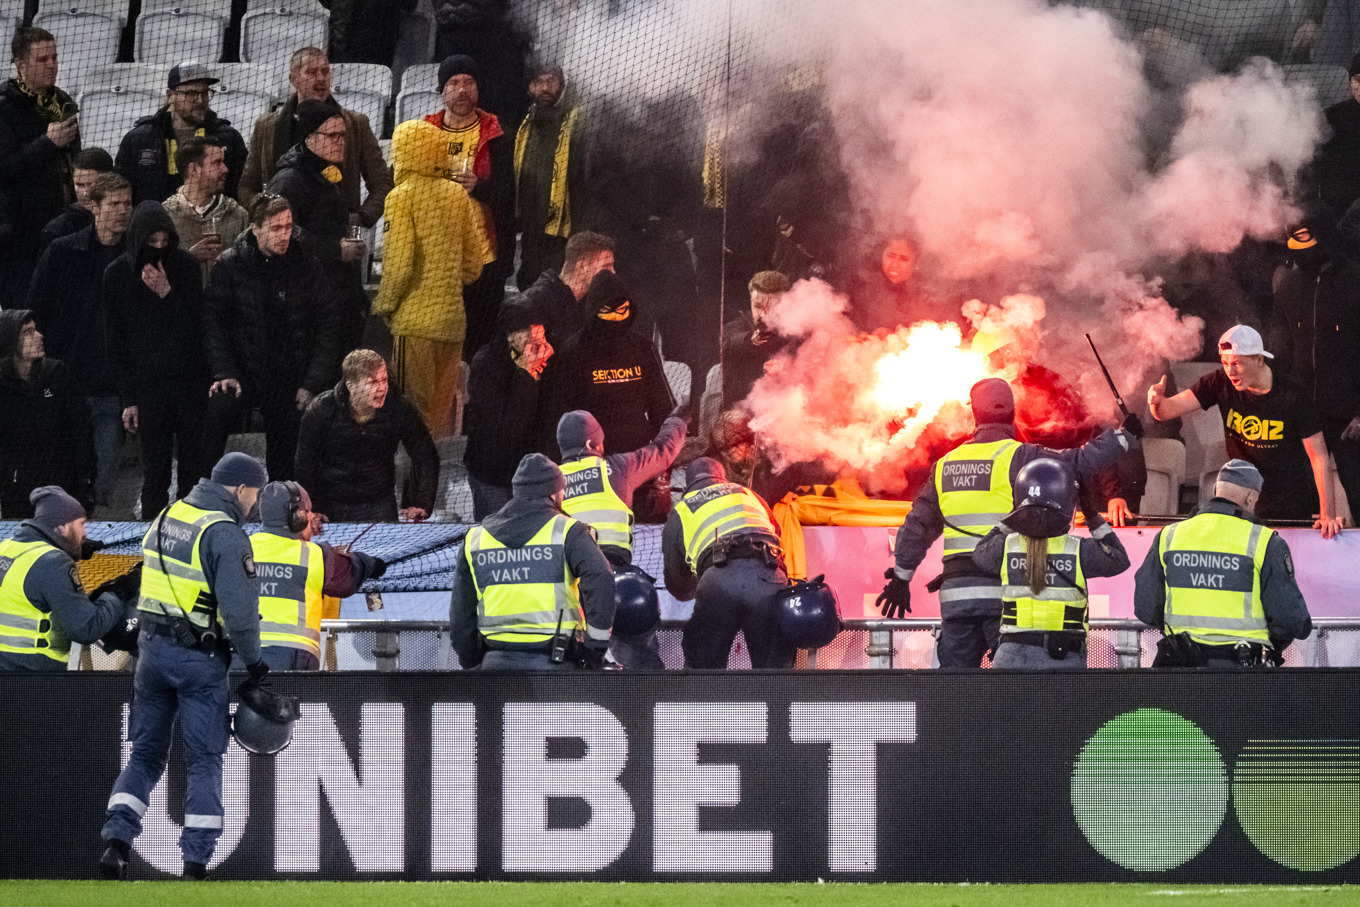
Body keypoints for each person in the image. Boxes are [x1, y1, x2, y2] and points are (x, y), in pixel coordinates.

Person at [878, 378, 1139, 669]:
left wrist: (901, 578)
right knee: (1006, 696)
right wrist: (1123, 438)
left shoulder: (945, 465)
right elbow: (1079, 461)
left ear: (975, 416)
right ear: (1012, 413)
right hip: (1003, 596)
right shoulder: (1022, 457)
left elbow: (918, 526)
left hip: (956, 599)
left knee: (954, 695)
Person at [99, 452, 271, 881]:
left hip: (151, 654)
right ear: (239, 488)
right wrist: (255, 664)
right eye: (256, 493)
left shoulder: (167, 514)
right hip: (199, 660)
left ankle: (117, 841)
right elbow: (240, 613)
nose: (256, 503)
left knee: (145, 755)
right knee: (204, 759)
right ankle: (195, 862)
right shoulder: (225, 534)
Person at [1147, 324, 1343, 537]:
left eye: (1237, 363)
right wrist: (1156, 402)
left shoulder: (1293, 394)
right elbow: (1167, 411)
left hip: (1288, 502)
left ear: (1259, 359)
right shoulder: (1218, 382)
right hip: (1239, 501)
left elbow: (1319, 457)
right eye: (1225, 363)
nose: (1230, 371)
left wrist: (1328, 515)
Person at [201, 194, 342, 481]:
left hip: (290, 375)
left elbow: (329, 324)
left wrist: (311, 382)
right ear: (255, 228)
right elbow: (212, 322)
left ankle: (283, 505)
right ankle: (204, 491)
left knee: (286, 453)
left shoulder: (306, 265)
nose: (284, 235)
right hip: (243, 371)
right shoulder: (231, 265)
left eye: (288, 227)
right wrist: (224, 371)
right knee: (215, 412)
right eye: (276, 228)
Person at [373, 119, 492, 439]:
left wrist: (384, 305)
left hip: (415, 326)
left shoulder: (400, 197)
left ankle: (413, 485)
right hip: (453, 325)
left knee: (411, 412)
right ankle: (435, 484)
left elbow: (398, 266)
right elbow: (474, 265)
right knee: (440, 417)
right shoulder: (457, 195)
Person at [1133, 459, 1313, 667]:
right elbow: (1290, 620)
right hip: (1242, 672)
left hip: (1181, 668)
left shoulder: (1170, 535)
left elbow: (1145, 608)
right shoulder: (1264, 542)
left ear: (1216, 489)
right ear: (1251, 497)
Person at [448, 452, 614, 671]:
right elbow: (602, 577)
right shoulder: (569, 531)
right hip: (555, 667)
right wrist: (593, 652)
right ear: (554, 493)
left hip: (494, 664)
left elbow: (461, 614)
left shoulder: (476, 538)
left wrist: (471, 661)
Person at [27, 171, 131, 512]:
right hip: (65, 381)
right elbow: (36, 307)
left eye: (127, 203)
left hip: (112, 387)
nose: (122, 210)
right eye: (114, 204)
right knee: (60, 472)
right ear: (95, 208)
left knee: (103, 479)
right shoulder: (62, 252)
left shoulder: (136, 257)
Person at [556, 406, 689, 669]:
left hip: (569, 584)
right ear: (591, 443)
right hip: (615, 579)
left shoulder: (552, 480)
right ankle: (650, 702)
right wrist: (677, 419)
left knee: (574, 663)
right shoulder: (617, 468)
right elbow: (663, 452)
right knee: (639, 657)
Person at [971, 459, 1131, 669]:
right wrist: (1091, 514)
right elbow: (1120, 559)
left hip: (1011, 656)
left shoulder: (1006, 547)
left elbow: (979, 554)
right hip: (1063, 658)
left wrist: (1015, 515)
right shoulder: (1079, 550)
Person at [104, 200, 207, 517]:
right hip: (148, 389)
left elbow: (198, 327)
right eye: (152, 242)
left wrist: (167, 293)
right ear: (139, 239)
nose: (159, 248)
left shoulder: (186, 267)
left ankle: (192, 533)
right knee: (155, 472)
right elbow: (116, 344)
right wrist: (128, 399)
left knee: (193, 471)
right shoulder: (117, 275)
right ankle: (150, 538)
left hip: (189, 384)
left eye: (165, 241)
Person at [545, 269, 675, 519]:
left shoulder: (642, 347)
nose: (616, 319)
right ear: (594, 310)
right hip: (593, 468)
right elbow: (557, 417)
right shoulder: (574, 352)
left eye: (622, 311)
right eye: (608, 312)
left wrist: (663, 459)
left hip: (640, 464)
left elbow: (663, 408)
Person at [239, 47, 391, 231]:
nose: (321, 78)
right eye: (311, 72)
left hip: (336, 239)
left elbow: (382, 183)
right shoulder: (266, 126)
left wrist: (361, 218)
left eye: (325, 71)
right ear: (293, 79)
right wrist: (267, 210)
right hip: (280, 239)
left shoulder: (356, 123)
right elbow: (246, 187)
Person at [264, 99, 370, 356]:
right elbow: (280, 234)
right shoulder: (289, 180)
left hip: (334, 297)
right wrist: (335, 250)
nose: (341, 141)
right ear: (309, 138)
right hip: (308, 308)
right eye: (333, 135)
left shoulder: (328, 172)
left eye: (343, 135)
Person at [425, 54, 514, 359]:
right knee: (443, 343)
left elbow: (510, 192)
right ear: (442, 91)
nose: (462, 89)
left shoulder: (498, 133)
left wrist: (480, 186)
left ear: (478, 89)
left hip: (485, 257)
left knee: (482, 344)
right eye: (454, 82)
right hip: (439, 256)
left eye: (469, 82)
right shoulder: (424, 133)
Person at [663, 456, 790, 669]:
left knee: (703, 667)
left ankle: (709, 701)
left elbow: (678, 582)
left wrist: (699, 586)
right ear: (722, 478)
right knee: (774, 669)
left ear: (688, 484)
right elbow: (776, 532)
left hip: (718, 581)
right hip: (768, 573)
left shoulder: (681, 510)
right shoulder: (749, 494)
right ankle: (776, 702)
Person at [1270, 225, 1360, 518]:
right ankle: (1303, 560)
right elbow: (1280, 348)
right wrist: (1280, 401)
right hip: (1304, 412)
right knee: (1301, 499)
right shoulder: (1289, 285)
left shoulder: (1354, 280)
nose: (1301, 256)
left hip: (1350, 417)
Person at [251, 481, 386, 671]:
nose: (312, 516)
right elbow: (350, 575)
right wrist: (373, 564)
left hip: (241, 653)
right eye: (308, 511)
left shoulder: (241, 547)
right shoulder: (314, 556)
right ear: (297, 517)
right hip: (293, 656)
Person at [294, 349, 439, 523]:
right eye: (372, 382)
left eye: (384, 380)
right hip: (332, 503)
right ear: (351, 386)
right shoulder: (321, 409)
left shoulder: (399, 408)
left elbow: (425, 455)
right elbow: (304, 463)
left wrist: (421, 503)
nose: (381, 388)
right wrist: (312, 509)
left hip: (380, 503)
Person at [0, 486, 124, 670]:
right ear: (63, 526)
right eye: (81, 524)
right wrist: (117, 594)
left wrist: (72, 549)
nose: (85, 533)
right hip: (34, 677)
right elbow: (86, 628)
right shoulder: (54, 563)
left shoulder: (6, 547)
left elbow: (33, 579)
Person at [0, 27, 79, 293]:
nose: (52, 65)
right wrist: (46, 144)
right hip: (18, 234)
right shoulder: (4, 106)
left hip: (60, 225)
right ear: (21, 64)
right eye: (42, 60)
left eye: (54, 58)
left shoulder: (63, 102)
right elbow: (4, 170)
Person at [464, 297, 555, 520]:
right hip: (493, 474)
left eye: (541, 337)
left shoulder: (547, 356)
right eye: (531, 340)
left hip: (533, 474)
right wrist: (526, 374)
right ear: (510, 337)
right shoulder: (486, 364)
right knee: (497, 535)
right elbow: (506, 429)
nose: (541, 347)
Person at [0, 310, 93, 517]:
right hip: (17, 495)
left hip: (62, 490)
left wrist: (85, 482)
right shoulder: (3, 387)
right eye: (28, 332)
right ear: (10, 341)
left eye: (36, 330)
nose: (39, 336)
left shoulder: (57, 374)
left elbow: (81, 430)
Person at [114, 63, 247, 206]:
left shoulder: (228, 138)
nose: (201, 100)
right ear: (170, 96)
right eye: (191, 94)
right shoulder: (139, 140)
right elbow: (121, 192)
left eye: (205, 93)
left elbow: (240, 189)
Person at [513, 61, 587, 289]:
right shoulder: (526, 124)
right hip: (531, 228)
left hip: (562, 233)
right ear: (529, 88)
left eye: (551, 81)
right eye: (538, 82)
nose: (544, 88)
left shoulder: (577, 122)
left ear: (562, 85)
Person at [162, 137, 250, 284]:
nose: (225, 169)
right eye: (217, 163)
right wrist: (188, 258)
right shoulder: (165, 217)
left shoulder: (238, 215)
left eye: (223, 161)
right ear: (194, 170)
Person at [520, 229, 615, 348]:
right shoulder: (538, 304)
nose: (613, 272)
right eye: (606, 266)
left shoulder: (595, 300)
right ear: (582, 267)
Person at [720, 270, 792, 412]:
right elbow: (728, 343)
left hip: (786, 408)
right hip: (742, 410)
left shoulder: (794, 328)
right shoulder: (738, 325)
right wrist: (750, 341)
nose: (762, 315)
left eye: (770, 307)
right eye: (758, 306)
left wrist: (786, 367)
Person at [38, 146, 113, 254]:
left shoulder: (124, 220)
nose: (85, 193)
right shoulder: (57, 229)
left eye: (91, 185)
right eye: (80, 185)